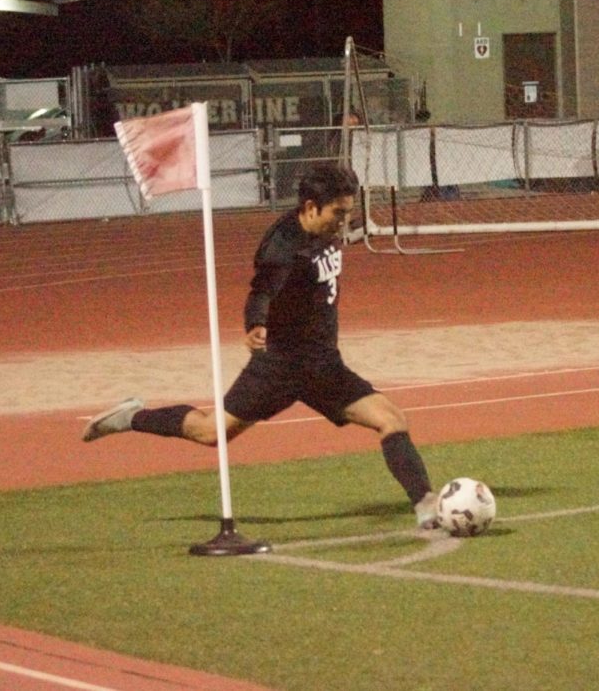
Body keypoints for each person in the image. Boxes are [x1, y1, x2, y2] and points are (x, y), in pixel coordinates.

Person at [82, 162, 438, 528]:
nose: (345, 220)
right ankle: (129, 417)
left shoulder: (320, 228)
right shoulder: (282, 248)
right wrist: (255, 323)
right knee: (209, 433)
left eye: (349, 211)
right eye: (339, 212)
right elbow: (261, 291)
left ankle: (426, 505)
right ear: (311, 207)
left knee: (392, 419)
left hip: (324, 366)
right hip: (279, 368)